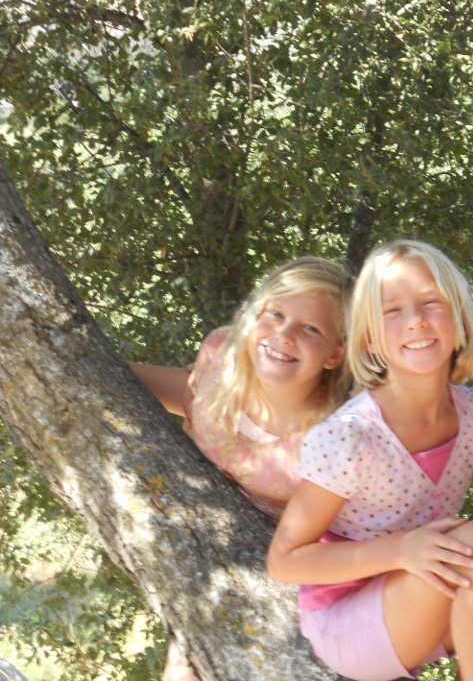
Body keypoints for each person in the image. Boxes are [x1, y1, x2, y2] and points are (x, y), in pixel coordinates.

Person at [267, 239, 473, 681]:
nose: (415, 321)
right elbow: (284, 561)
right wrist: (400, 551)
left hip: (438, 598)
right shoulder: (352, 437)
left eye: (431, 302)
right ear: (370, 337)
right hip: (352, 623)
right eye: (393, 310)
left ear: (459, 319)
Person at [130, 255, 351, 681]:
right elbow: (193, 395)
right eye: (275, 314)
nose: (283, 334)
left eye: (311, 329)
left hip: (283, 564)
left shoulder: (332, 434)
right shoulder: (222, 354)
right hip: (200, 539)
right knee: (182, 668)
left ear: (335, 353)